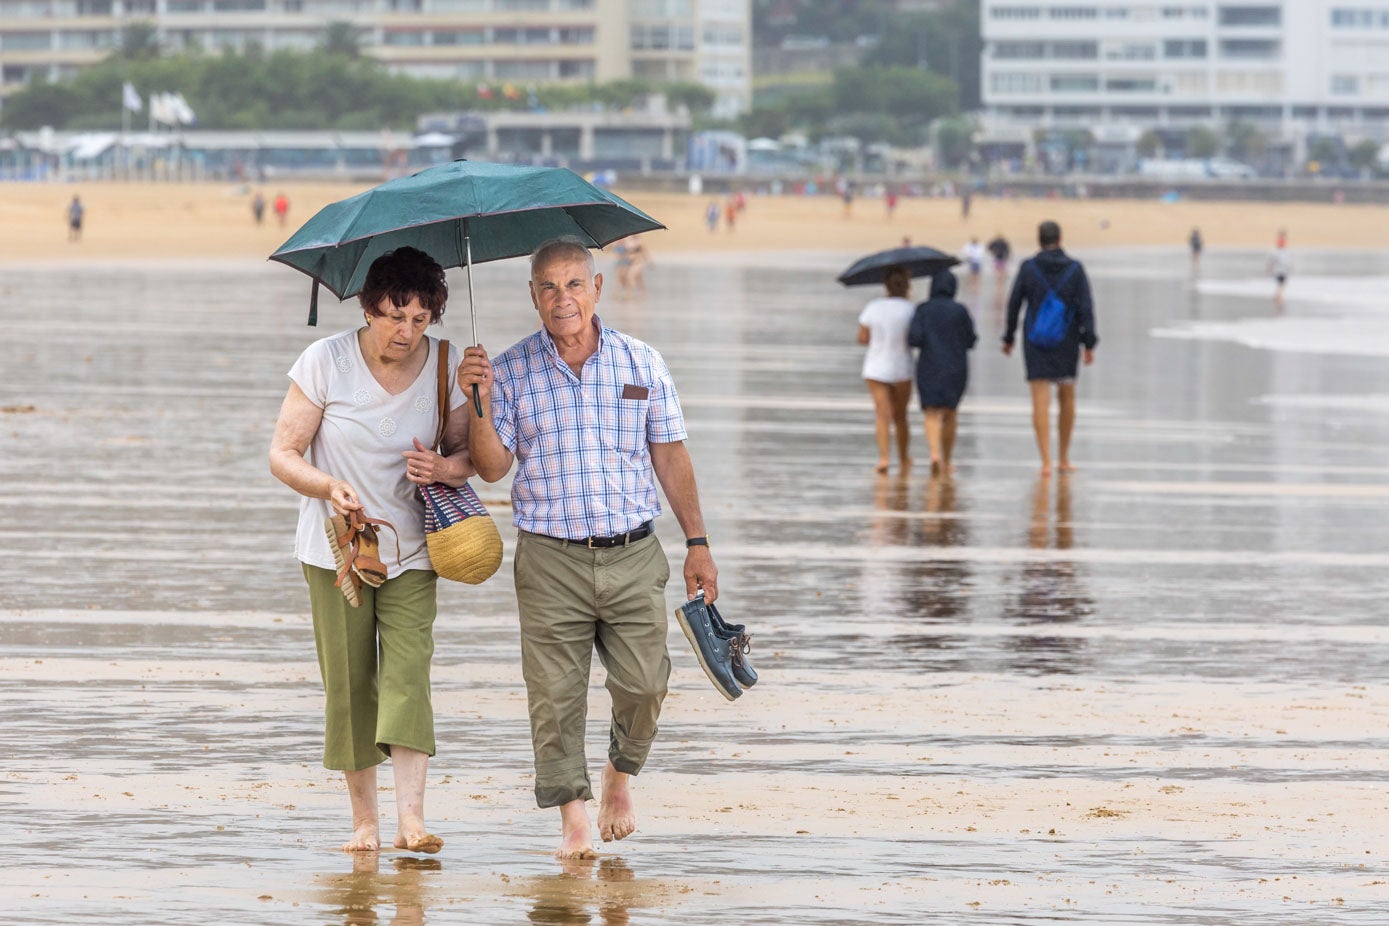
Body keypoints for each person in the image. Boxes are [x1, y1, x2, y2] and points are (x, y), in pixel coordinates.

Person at [457, 238, 719, 860]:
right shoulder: (511, 370)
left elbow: (671, 455)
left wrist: (699, 544)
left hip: (633, 552)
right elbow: (492, 469)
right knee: (553, 695)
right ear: (532, 296)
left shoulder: (643, 362)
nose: (562, 298)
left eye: (574, 284)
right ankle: (573, 815)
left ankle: (618, 776)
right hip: (550, 558)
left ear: (597, 288)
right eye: (548, 287)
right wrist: (480, 405)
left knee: (646, 682)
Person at [269, 246, 472, 855]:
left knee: (409, 674)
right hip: (335, 550)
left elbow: (469, 463)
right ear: (367, 307)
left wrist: (441, 466)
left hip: (415, 548)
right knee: (351, 685)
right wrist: (329, 487)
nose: (405, 332)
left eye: (418, 319)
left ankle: (412, 821)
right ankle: (366, 825)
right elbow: (283, 455)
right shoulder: (324, 360)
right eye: (392, 317)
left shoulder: (445, 364)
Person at [1002, 220, 1098, 477]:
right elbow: (1086, 308)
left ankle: (1045, 461)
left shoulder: (1028, 267)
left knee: (1040, 401)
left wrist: (1008, 337)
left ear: (1039, 240)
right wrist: (1089, 343)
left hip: (1035, 339)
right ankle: (1064, 458)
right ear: (1060, 238)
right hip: (1067, 340)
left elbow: (1014, 303)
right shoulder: (1075, 269)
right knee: (1067, 397)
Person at [908, 270, 977, 477]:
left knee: (931, 412)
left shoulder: (923, 309)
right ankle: (947, 460)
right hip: (956, 367)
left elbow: (914, 338)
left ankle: (934, 454)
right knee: (950, 413)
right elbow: (971, 340)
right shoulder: (960, 311)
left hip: (929, 365)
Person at [856, 265, 916, 475]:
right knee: (900, 416)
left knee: (882, 416)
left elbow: (862, 338)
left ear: (886, 285)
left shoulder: (873, 307)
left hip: (876, 367)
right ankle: (903, 458)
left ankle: (883, 459)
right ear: (908, 286)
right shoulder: (911, 310)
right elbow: (916, 339)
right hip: (902, 367)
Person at [1269, 238, 1291, 308]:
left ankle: (1278, 295)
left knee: (1280, 284)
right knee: (1281, 284)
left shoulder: (1282, 252)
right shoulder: (1278, 252)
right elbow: (1272, 261)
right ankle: (1279, 296)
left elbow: (1271, 262)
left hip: (1281, 271)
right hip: (1279, 271)